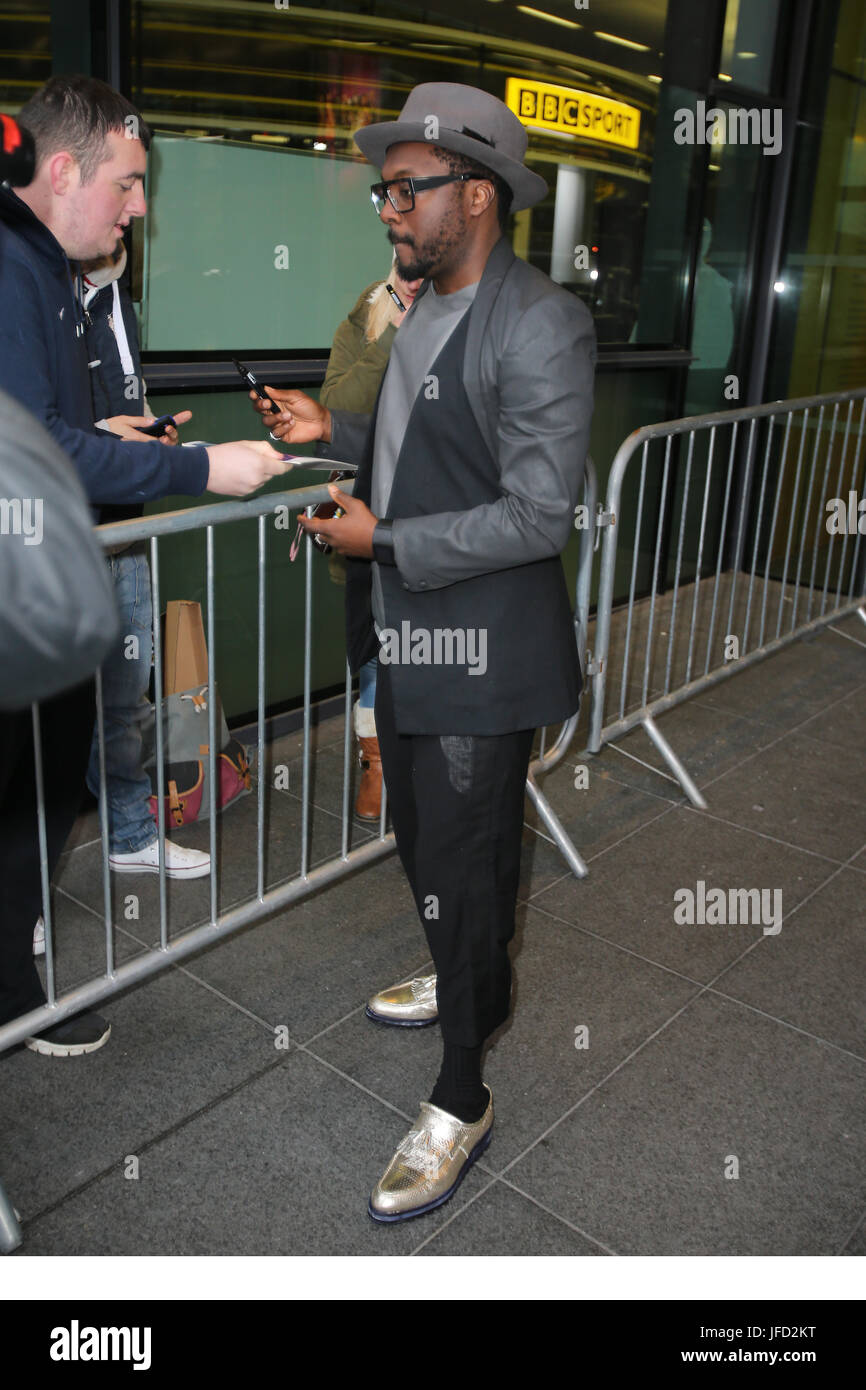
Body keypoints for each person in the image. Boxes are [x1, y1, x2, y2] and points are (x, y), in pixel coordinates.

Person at [253, 83, 596, 1222]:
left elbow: (537, 512)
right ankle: (460, 966)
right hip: (404, 630)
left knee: (467, 856)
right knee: (420, 838)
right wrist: (333, 432)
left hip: (481, 654)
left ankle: (462, 1086)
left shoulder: (537, 319)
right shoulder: (423, 304)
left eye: (409, 186)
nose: (388, 206)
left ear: (479, 195)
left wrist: (384, 536)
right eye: (385, 187)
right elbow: (414, 440)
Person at [0, 75, 288, 1059]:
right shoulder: (11, 267)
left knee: (37, 784)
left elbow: (43, 432)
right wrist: (201, 464)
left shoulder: (43, 270)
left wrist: (106, 433)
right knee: (20, 786)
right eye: (126, 180)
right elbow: (35, 445)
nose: (140, 204)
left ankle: (12, 970)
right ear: (65, 167)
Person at [78, 244, 209, 881]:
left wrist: (151, 435)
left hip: (124, 532)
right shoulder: (32, 288)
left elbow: (123, 401)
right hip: (52, 541)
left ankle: (129, 835)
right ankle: (19, 895)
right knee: (34, 724)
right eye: (123, 187)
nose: (133, 211)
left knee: (124, 704)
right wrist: (110, 437)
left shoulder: (114, 293)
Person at [319, 258, 422, 819]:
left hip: (436, 520)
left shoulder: (471, 310)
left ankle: (430, 763)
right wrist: (393, 335)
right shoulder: (370, 312)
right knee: (376, 649)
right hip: (370, 518)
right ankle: (376, 763)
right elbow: (337, 408)